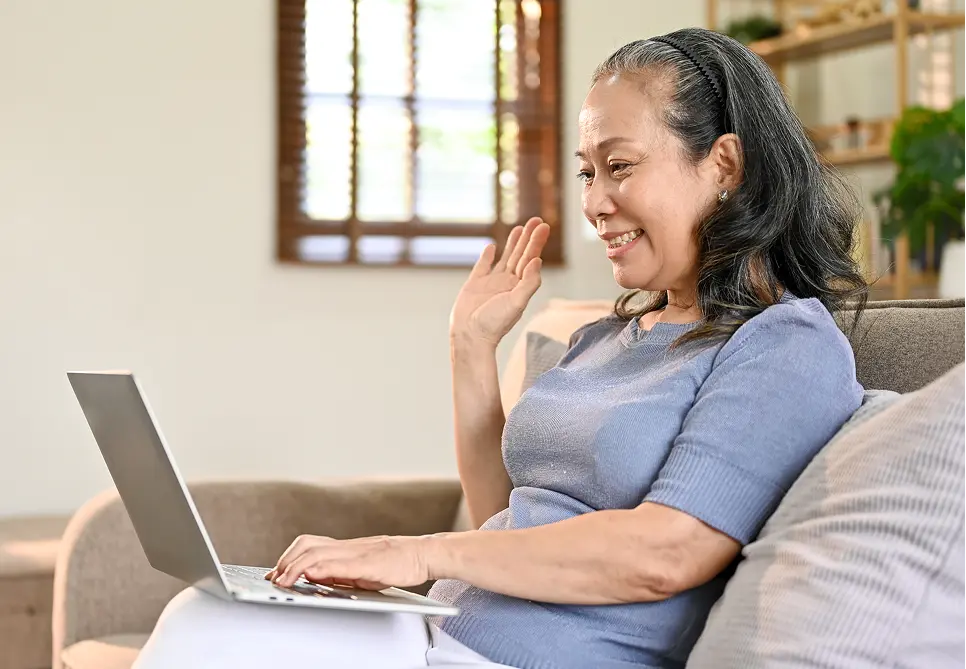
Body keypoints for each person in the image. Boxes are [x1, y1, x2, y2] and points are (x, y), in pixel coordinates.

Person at [132, 27, 867, 669]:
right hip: (435, 636)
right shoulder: (605, 337)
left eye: (619, 166)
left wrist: (418, 551)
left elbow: (666, 553)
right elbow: (503, 519)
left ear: (725, 166)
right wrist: (470, 348)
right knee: (208, 614)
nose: (593, 202)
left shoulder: (785, 344)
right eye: (587, 172)